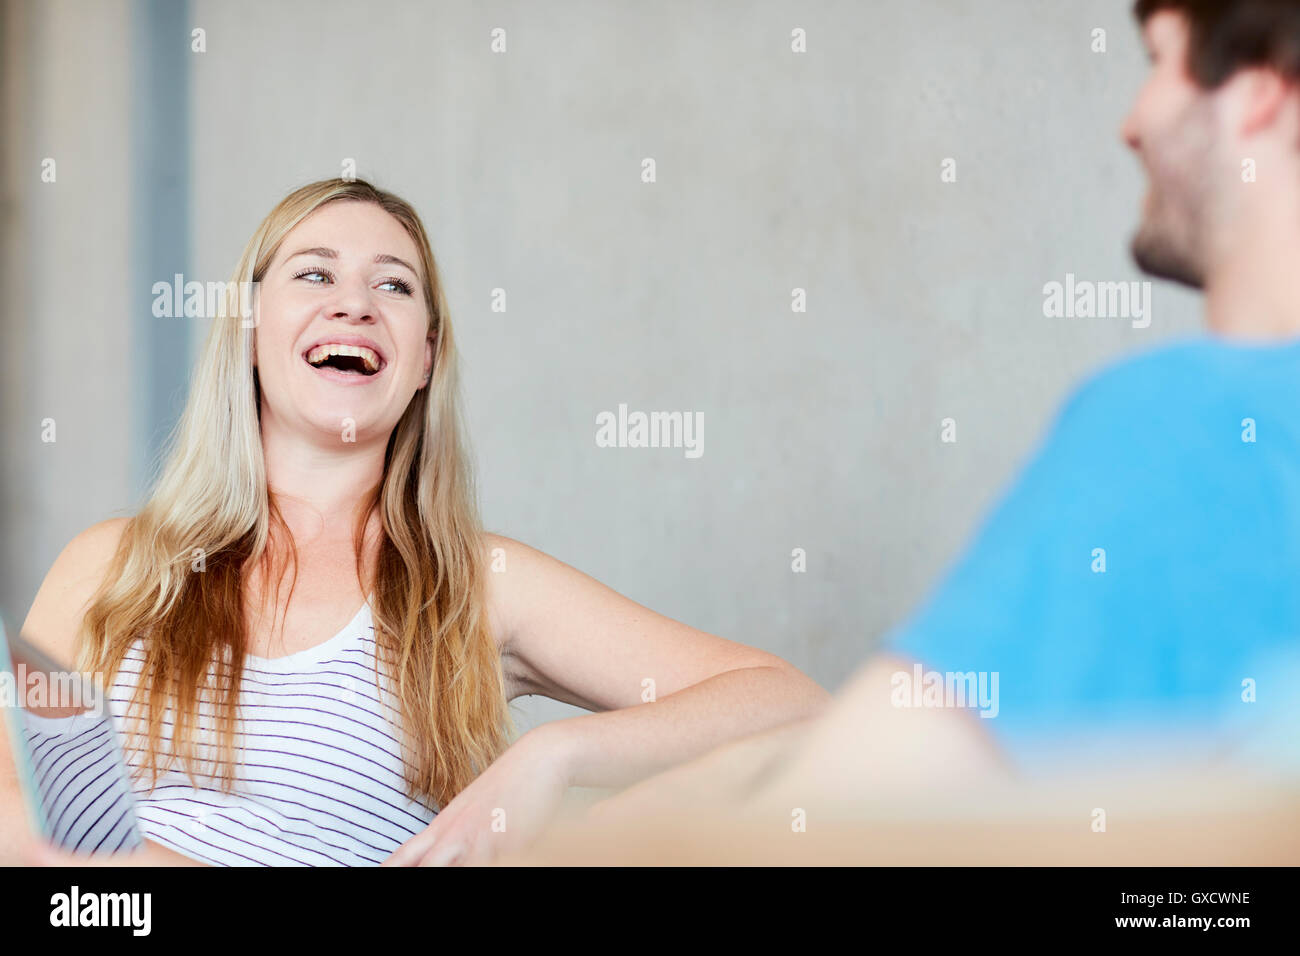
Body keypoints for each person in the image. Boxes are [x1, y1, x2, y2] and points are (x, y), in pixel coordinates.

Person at [575, 0, 1300, 853]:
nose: (1131, 122)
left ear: (1262, 91)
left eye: (1159, 62)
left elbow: (816, 834)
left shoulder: (1178, 428)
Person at [2, 178, 827, 867]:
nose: (354, 305)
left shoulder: (475, 584)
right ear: (251, 332)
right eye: (315, 275)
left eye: (393, 285)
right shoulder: (112, 564)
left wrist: (555, 756)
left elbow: (790, 704)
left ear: (426, 356)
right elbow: (12, 820)